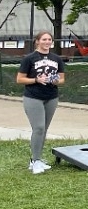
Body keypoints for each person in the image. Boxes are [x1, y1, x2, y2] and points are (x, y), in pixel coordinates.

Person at [17, 30, 65, 174]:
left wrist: (56, 80)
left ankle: (35, 160)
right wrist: (36, 80)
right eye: (44, 39)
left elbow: (62, 79)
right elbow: (19, 79)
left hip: (51, 96)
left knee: (43, 129)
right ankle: (36, 161)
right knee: (38, 128)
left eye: (49, 39)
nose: (47, 42)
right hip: (33, 97)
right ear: (37, 41)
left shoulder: (56, 58)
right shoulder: (29, 58)